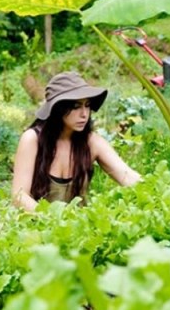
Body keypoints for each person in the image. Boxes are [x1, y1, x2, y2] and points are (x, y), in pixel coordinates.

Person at [11, 71, 141, 211]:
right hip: (35, 226)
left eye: (87, 105)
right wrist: (51, 218)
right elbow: (19, 196)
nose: (84, 114)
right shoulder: (32, 139)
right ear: (58, 108)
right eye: (76, 106)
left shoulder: (91, 142)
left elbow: (128, 177)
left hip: (77, 229)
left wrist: (159, 190)